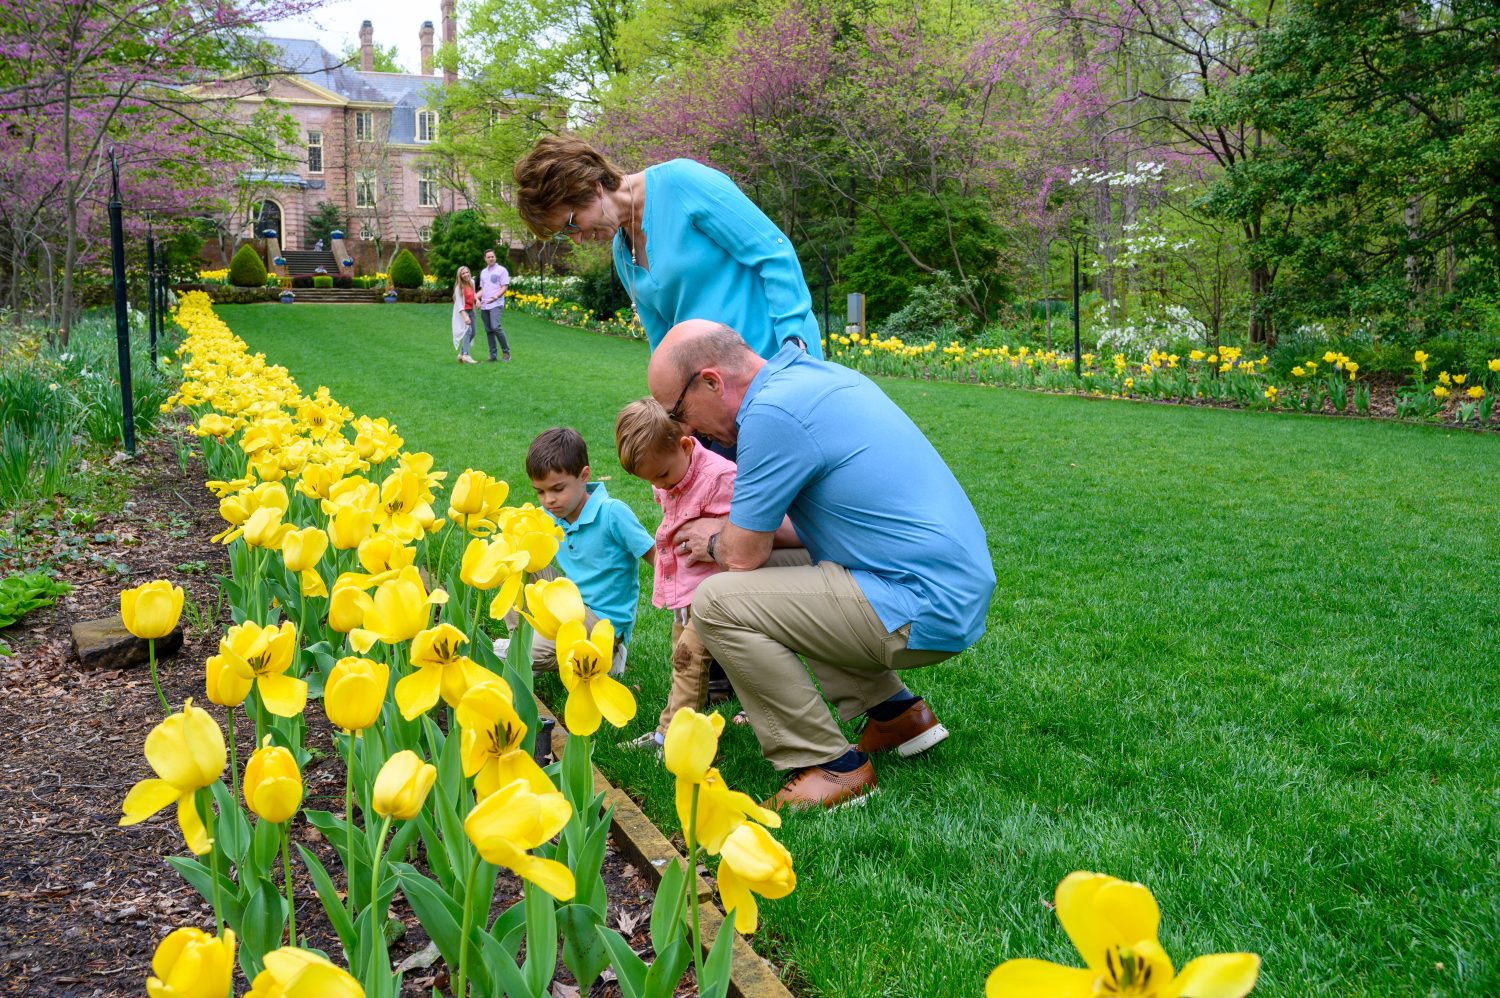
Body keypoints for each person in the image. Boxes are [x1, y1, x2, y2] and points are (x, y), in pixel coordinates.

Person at [649, 320, 996, 811]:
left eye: (677, 412)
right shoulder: (816, 378)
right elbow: (781, 539)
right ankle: (896, 715)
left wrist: (711, 540)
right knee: (773, 579)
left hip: (922, 605)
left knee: (718, 600)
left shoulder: (770, 415)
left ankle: (830, 765)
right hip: (945, 585)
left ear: (710, 381)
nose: (683, 431)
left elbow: (743, 553)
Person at [512, 135, 823, 361]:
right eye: (564, 235)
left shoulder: (681, 183)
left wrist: (793, 341)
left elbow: (773, 252)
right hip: (722, 399)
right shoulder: (623, 254)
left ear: (591, 186)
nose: (576, 239)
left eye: (571, 223)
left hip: (778, 362)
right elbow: (663, 344)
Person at [613, 397, 748, 749]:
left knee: (689, 662)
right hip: (687, 595)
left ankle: (673, 739)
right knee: (686, 662)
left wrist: (717, 529)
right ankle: (676, 731)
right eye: (652, 481)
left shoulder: (720, 478)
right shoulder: (671, 475)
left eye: (662, 475)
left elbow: (748, 530)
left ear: (686, 444)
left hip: (715, 595)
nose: (662, 487)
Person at [525, 427, 655, 676]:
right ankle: (521, 637)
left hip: (602, 623)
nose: (548, 500)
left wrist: (679, 597)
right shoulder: (548, 517)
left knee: (527, 655)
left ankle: (607, 656)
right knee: (518, 561)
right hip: (570, 604)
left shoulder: (612, 513)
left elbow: (655, 556)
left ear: (584, 476)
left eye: (557, 489)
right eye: (540, 492)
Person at [478, 248, 511, 362]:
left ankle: (506, 352)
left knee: (495, 327)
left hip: (496, 303)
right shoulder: (483, 272)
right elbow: (483, 289)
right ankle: (493, 355)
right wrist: (474, 297)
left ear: (495, 257)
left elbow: (504, 287)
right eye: (488, 257)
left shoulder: (502, 270)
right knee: (489, 330)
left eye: (492, 256)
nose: (491, 258)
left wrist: (496, 297)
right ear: (485, 259)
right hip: (484, 305)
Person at [452, 266, 478, 364]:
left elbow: (473, 294)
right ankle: (466, 355)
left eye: (467, 272)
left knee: (473, 332)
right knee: (468, 331)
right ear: (460, 276)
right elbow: (459, 304)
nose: (466, 274)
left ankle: (461, 354)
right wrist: (465, 317)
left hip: (471, 310)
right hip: (463, 312)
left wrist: (477, 300)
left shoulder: (472, 282)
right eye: (463, 273)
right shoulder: (459, 287)